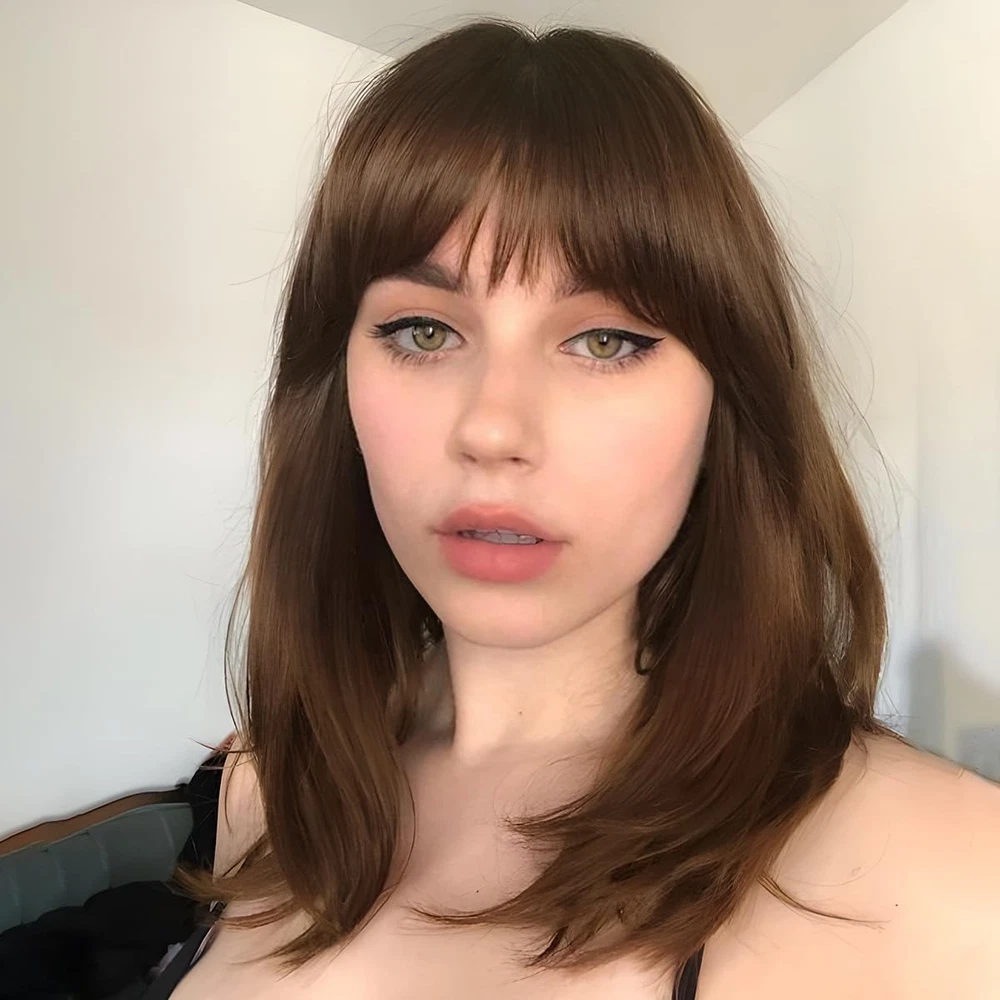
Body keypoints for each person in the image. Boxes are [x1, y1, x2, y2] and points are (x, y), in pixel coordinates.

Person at [159, 17, 1000, 1000]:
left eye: (604, 340)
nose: (493, 427)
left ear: (725, 404)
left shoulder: (944, 880)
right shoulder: (265, 786)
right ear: (333, 384)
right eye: (423, 330)